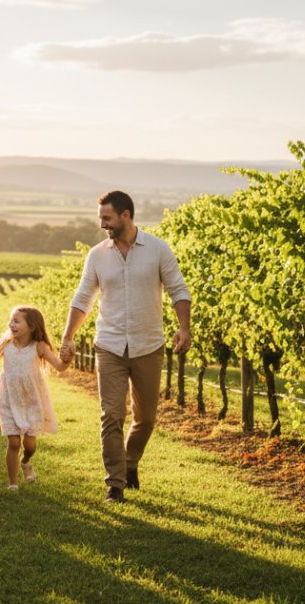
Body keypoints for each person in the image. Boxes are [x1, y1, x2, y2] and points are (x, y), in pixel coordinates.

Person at [59, 190, 192, 504]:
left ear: (125, 215)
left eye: (107, 218)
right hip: (109, 345)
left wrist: (183, 327)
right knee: (111, 415)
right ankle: (115, 485)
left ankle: (130, 462)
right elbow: (82, 300)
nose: (103, 224)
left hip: (148, 345)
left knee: (146, 418)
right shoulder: (97, 255)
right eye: (101, 218)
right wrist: (67, 337)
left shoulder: (158, 249)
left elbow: (178, 289)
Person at [0, 305, 68, 490]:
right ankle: (13, 484)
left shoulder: (40, 347)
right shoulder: (6, 343)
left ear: (32, 327)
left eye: (16, 321)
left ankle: (26, 461)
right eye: (11, 320)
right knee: (13, 442)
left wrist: (68, 358)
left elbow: (59, 366)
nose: (10, 324)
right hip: (9, 398)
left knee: (30, 445)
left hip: (31, 400)